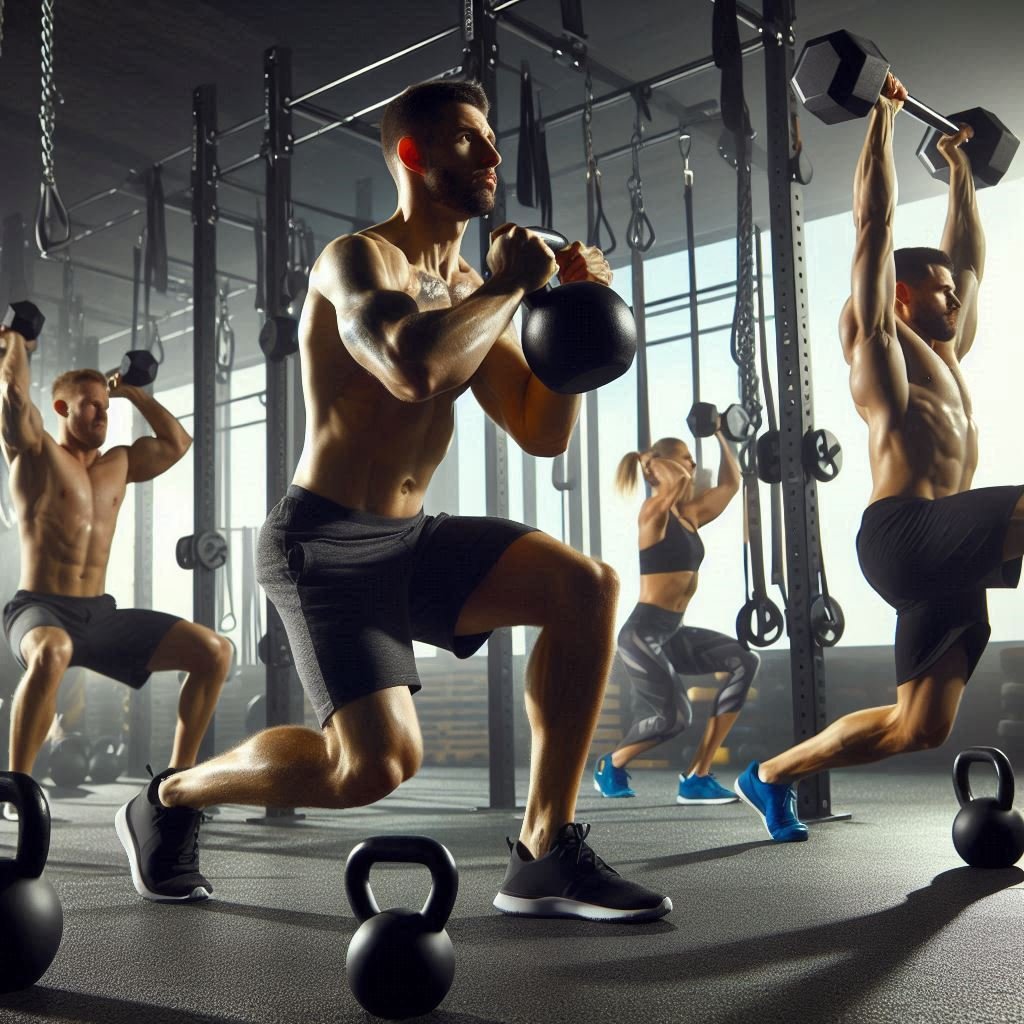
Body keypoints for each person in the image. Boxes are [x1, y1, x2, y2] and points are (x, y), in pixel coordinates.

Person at [125, 79, 671, 923]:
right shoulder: (357, 260)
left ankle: (541, 853)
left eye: (491, 140)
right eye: (467, 140)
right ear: (412, 156)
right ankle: (171, 795)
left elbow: (539, 430)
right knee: (371, 770)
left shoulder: (466, 289)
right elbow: (409, 366)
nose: (492, 156)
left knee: (585, 587)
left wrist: (570, 317)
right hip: (323, 544)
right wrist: (508, 291)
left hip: (411, 539)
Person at [735, 72, 1024, 842]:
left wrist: (961, 173)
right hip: (905, 533)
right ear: (897, 297)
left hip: (947, 556)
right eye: (937, 291)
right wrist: (883, 123)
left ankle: (768, 776)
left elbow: (967, 259)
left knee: (917, 726)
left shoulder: (947, 350)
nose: (957, 300)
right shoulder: (877, 343)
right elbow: (872, 226)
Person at [0, 338, 233, 898]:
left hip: (96, 612)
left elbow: (178, 442)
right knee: (52, 651)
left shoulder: (120, 464)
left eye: (107, 407)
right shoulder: (34, 453)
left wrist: (131, 392)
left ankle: (173, 792)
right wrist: (17, 341)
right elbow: (12, 395)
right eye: (92, 405)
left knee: (214, 651)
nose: (103, 415)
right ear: (61, 409)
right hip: (37, 608)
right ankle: (16, 791)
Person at [593, 424, 758, 803]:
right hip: (641, 634)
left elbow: (731, 485)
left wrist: (720, 433)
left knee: (744, 661)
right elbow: (678, 478)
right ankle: (612, 764)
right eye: (685, 455)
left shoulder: (689, 515)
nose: (692, 464)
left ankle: (697, 775)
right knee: (675, 717)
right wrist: (651, 461)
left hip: (672, 632)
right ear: (663, 467)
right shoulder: (654, 513)